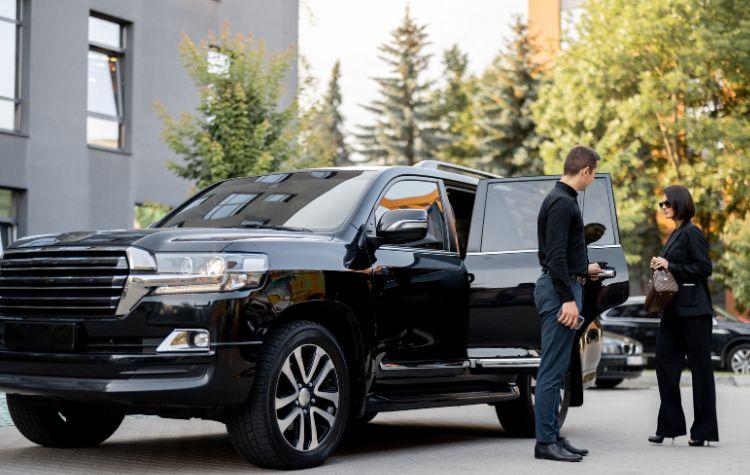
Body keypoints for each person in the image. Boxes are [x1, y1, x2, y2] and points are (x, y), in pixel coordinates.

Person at [533, 145, 603, 462]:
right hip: (559, 292)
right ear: (585, 170)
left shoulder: (560, 199)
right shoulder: (562, 203)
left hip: (564, 283)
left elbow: (560, 253)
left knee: (559, 367)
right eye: (595, 173)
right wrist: (567, 299)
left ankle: (554, 436)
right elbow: (554, 256)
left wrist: (582, 267)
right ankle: (545, 443)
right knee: (551, 370)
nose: (594, 178)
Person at [648, 185, 719, 447]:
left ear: (679, 203)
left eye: (666, 203)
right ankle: (669, 426)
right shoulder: (676, 234)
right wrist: (660, 264)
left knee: (700, 371)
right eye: (661, 204)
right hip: (672, 312)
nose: (663, 207)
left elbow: (704, 268)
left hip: (695, 312)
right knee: (664, 365)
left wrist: (671, 265)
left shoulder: (692, 232)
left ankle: (703, 431)